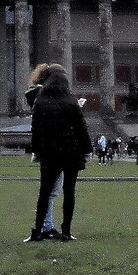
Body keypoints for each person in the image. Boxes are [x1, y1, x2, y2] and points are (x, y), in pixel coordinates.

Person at [26, 64, 91, 243]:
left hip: (49, 153)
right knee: (69, 192)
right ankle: (66, 232)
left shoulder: (41, 100)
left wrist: (37, 151)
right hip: (71, 152)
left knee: (44, 193)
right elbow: (81, 127)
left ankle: (37, 232)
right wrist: (87, 150)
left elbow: (36, 130)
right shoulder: (70, 100)